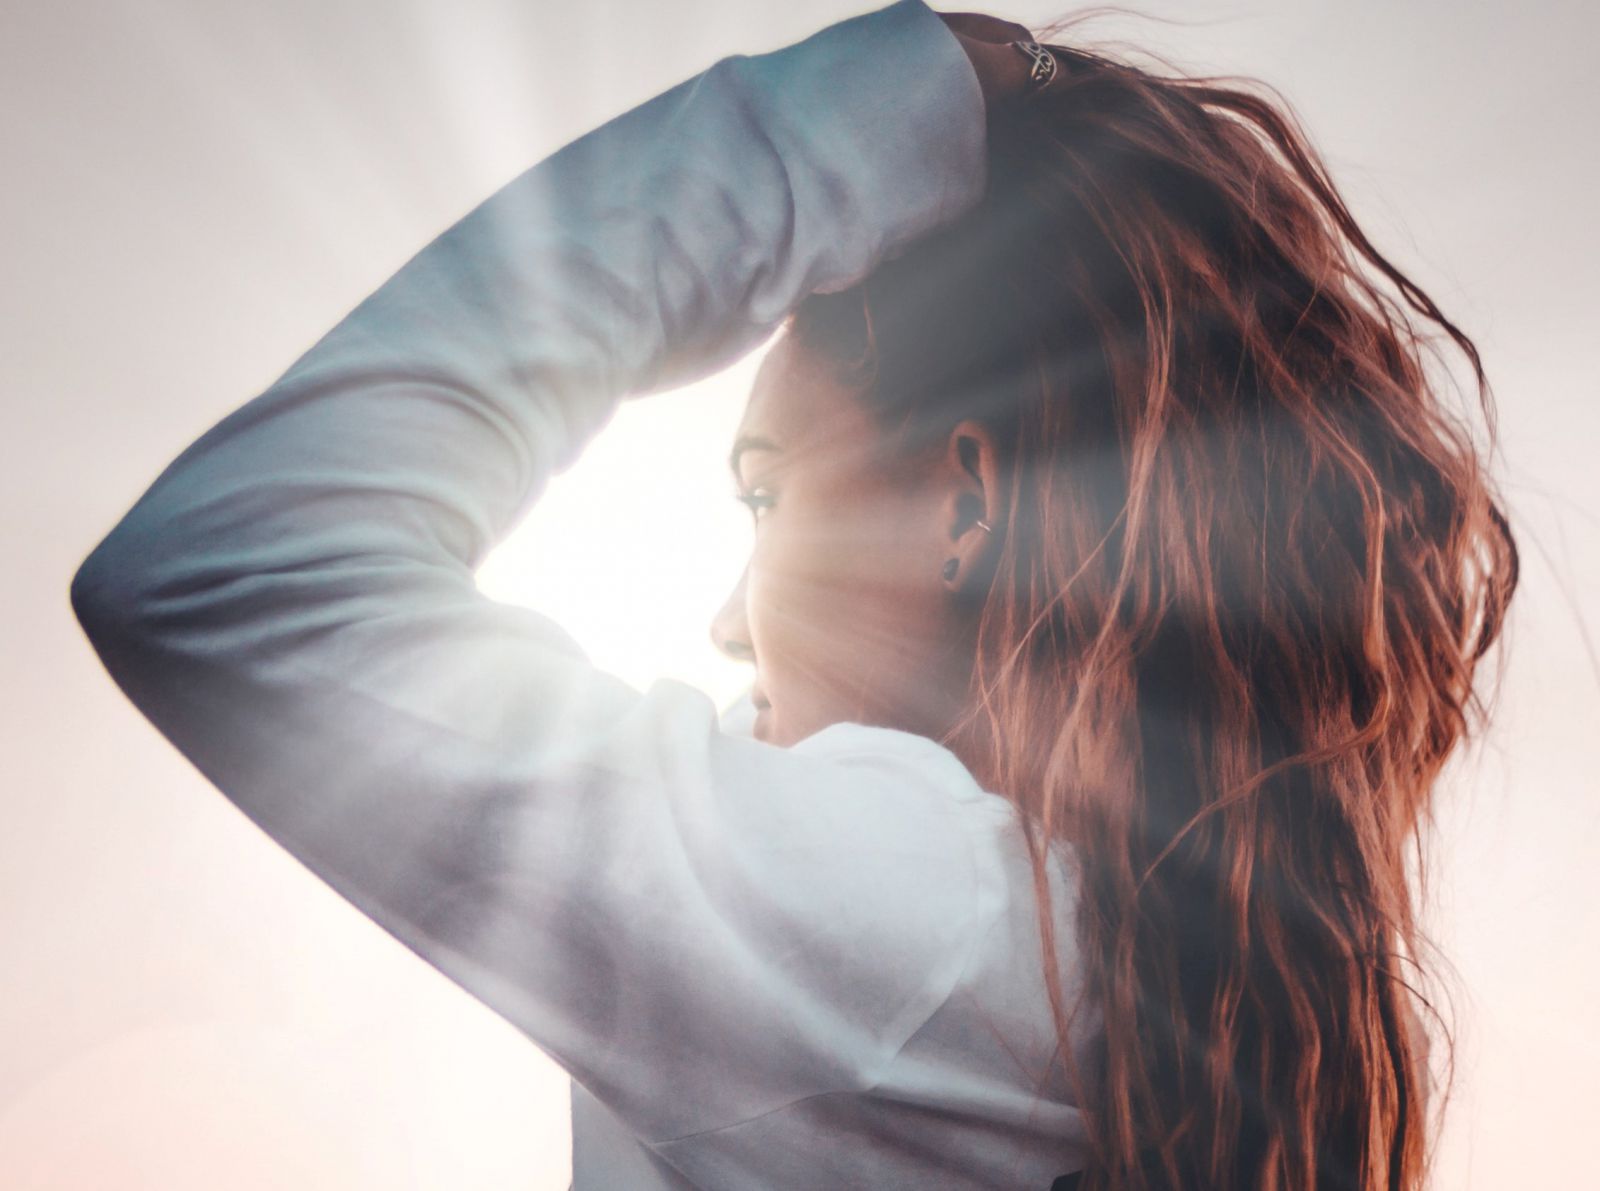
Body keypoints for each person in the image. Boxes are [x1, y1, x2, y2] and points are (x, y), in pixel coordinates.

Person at [69, 1, 1517, 1187]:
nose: (722, 624)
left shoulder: (923, 931)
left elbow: (225, 565)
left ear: (963, 505)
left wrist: (868, 110)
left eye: (767, 496)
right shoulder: (1161, 982)